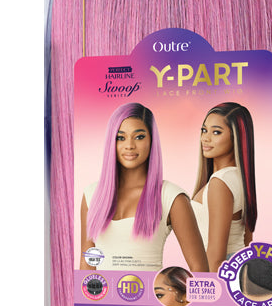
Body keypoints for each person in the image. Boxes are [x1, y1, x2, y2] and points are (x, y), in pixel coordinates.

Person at [80, 103, 208, 272]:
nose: (129, 145)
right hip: (102, 290)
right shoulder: (91, 195)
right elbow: (87, 263)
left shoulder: (171, 197)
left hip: (151, 290)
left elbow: (200, 269)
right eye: (121, 138)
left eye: (139, 137)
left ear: (152, 140)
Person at [192, 102, 257, 271]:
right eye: (204, 130)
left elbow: (215, 257)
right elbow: (247, 242)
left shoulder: (220, 182)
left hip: (218, 273)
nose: (205, 138)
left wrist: (207, 286)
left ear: (236, 137)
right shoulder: (239, 178)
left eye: (216, 132)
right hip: (237, 270)